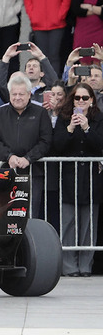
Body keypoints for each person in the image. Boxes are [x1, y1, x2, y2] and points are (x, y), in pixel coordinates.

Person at [52, 82, 103, 277]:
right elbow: (56, 146)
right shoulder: (64, 119)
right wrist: (71, 128)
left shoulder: (99, 119)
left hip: (91, 179)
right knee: (68, 224)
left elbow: (99, 145)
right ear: (71, 100)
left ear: (91, 100)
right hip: (69, 178)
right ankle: (69, 267)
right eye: (77, 98)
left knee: (88, 226)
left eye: (85, 98)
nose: (80, 101)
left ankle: (85, 266)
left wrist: (88, 128)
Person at [0, 73, 53, 218]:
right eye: (14, 94)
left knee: (30, 215)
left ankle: (29, 241)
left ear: (29, 94)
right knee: (5, 215)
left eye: (21, 94)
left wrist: (29, 158)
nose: (17, 97)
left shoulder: (41, 113)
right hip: (5, 171)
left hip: (33, 173)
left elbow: (46, 140)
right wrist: (8, 156)